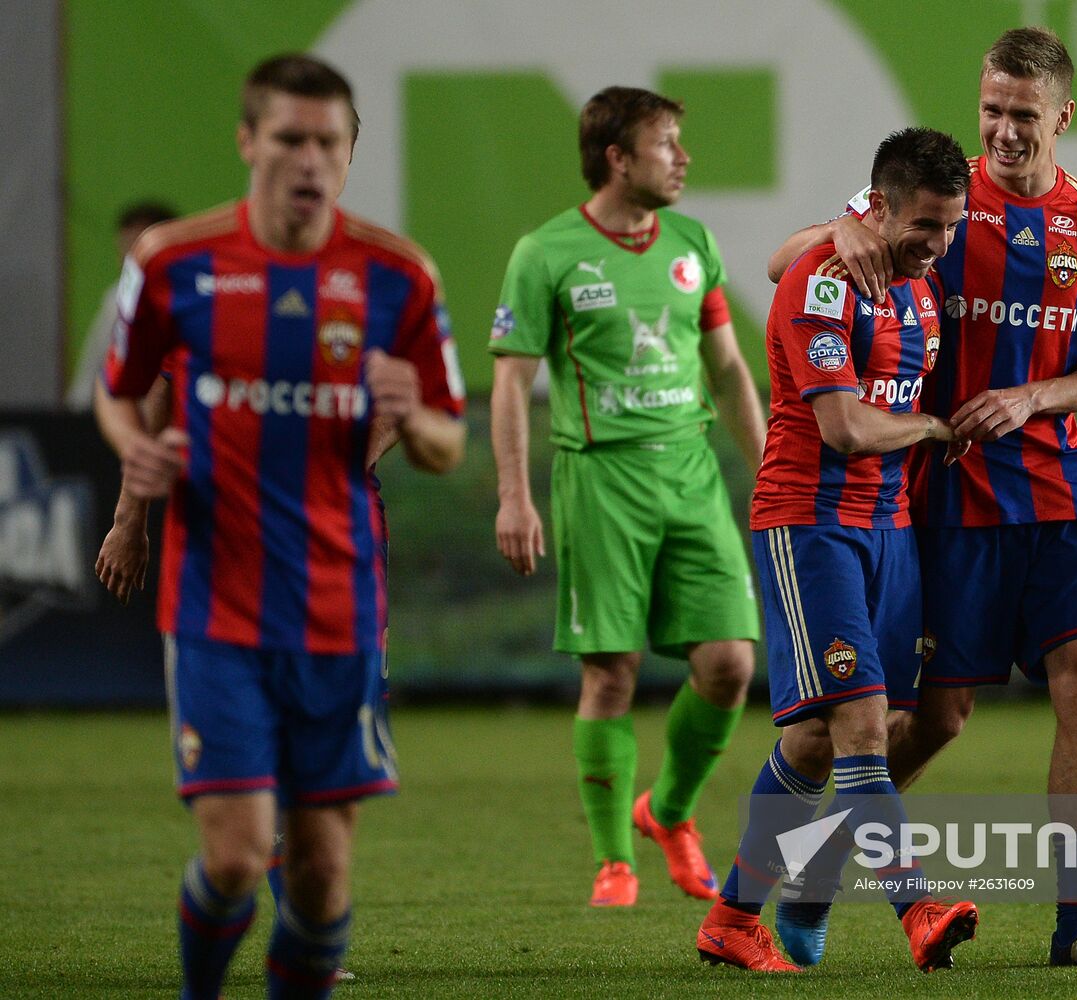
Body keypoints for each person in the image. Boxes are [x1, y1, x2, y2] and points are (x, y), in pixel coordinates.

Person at [767, 27, 1077, 968]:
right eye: (991, 109)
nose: (1003, 131)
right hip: (940, 496)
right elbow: (787, 263)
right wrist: (837, 230)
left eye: (1024, 115)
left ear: (1062, 117)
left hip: (1058, 489)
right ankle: (817, 865)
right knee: (937, 718)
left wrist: (1035, 395)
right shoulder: (934, 204)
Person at [94, 53, 465, 999]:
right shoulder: (174, 263)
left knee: (321, 873)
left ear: (348, 156)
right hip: (216, 602)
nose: (308, 158)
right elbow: (118, 393)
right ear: (248, 141)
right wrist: (135, 470)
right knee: (233, 856)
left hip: (338, 608)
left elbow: (444, 446)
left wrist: (413, 412)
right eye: (289, 138)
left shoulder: (398, 277)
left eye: (327, 142)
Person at [695, 127, 977, 974]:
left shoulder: (917, 292)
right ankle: (919, 908)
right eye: (925, 225)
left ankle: (734, 917)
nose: (939, 244)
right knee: (857, 728)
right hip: (810, 524)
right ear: (878, 209)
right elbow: (845, 427)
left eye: (951, 227)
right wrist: (931, 426)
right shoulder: (826, 281)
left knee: (824, 740)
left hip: (887, 529)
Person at [489, 86, 765, 908]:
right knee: (611, 674)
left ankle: (667, 811)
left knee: (730, 666)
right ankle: (614, 860)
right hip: (599, 479)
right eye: (666, 143)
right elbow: (511, 384)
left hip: (691, 472)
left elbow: (727, 369)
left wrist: (773, 471)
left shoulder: (692, 243)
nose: (683, 158)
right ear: (617, 158)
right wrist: (515, 495)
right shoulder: (546, 252)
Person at [67, 201, 178, 412]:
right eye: (123, 253)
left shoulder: (200, 296)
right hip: (129, 427)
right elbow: (89, 377)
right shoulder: (116, 300)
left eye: (136, 252)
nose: (129, 264)